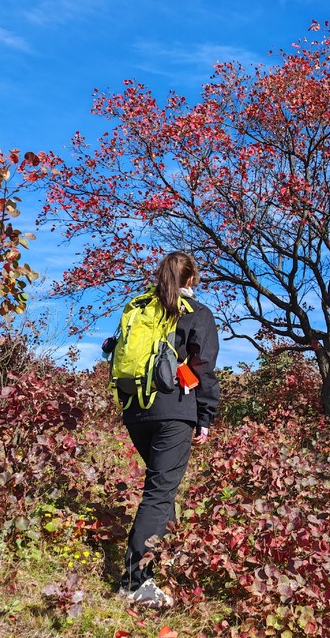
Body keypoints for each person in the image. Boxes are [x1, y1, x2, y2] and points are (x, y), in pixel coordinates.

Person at [116, 251, 220, 608]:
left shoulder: (140, 308)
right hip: (174, 411)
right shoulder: (196, 313)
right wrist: (205, 416)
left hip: (136, 411)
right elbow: (203, 367)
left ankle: (167, 565)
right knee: (160, 493)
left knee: (164, 489)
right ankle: (134, 582)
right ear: (192, 279)